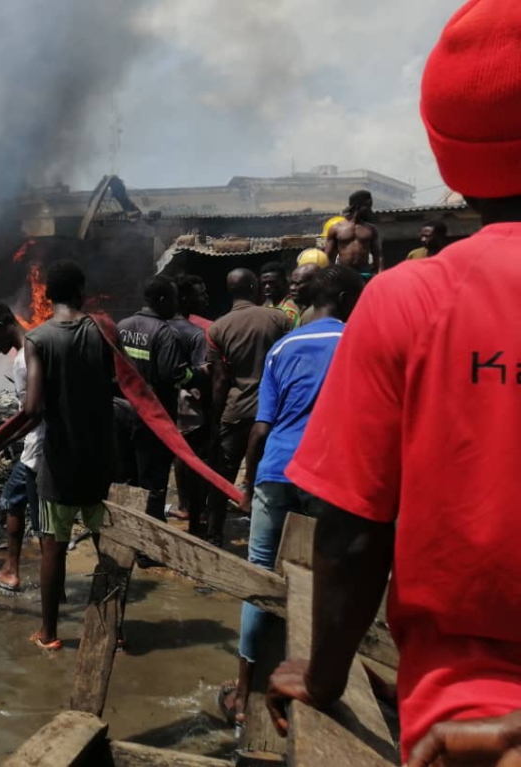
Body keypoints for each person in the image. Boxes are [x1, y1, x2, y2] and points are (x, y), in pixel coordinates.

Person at [267, 4, 521, 763]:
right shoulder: (381, 273)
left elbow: (351, 533)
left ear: (450, 154)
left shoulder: (406, 297)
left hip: (464, 718)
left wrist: (322, 675)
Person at [219, 266, 364, 725]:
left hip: (277, 470)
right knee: (325, 579)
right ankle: (315, 683)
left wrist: (247, 484)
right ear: (342, 298)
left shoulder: (285, 346)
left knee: (260, 574)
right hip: (330, 477)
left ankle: (244, 694)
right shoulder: (359, 343)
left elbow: (261, 427)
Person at [24, 260, 116, 650]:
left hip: (58, 464)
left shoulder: (37, 339)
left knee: (53, 546)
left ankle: (49, 634)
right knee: (107, 548)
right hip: (100, 461)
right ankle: (116, 633)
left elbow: (31, 408)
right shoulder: (103, 332)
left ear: (46, 297)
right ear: (81, 293)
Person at [204, 269, 291, 546]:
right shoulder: (280, 319)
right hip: (272, 413)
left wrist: (214, 420)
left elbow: (219, 381)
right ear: (253, 287)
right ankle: (268, 539)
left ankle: (214, 534)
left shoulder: (218, 328)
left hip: (236, 411)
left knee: (223, 473)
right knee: (271, 477)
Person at [0, 302, 44, 591]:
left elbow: (32, 413)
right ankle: (10, 570)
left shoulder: (22, 360)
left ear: (3, 324)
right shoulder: (38, 342)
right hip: (39, 445)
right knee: (13, 501)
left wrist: (0, 443)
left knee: (43, 524)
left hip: (39, 448)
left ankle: (49, 581)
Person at [117, 276, 195, 525]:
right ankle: (148, 544)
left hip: (122, 415)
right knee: (154, 483)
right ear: (161, 300)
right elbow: (172, 375)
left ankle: (127, 531)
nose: (177, 304)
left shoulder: (122, 326)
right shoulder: (164, 332)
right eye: (173, 298)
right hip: (153, 419)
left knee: (129, 478)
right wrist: (198, 374)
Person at [170, 275, 211, 532]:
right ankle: (198, 516)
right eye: (200, 293)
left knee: (179, 454)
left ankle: (185, 505)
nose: (205, 298)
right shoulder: (199, 331)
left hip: (166, 404)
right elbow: (201, 373)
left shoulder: (161, 326)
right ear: (185, 299)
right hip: (191, 405)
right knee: (197, 459)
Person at [324, 190, 384, 276]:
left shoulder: (371, 229)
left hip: (364, 272)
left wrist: (380, 274)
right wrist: (329, 274)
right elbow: (328, 255)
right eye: (367, 206)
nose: (370, 209)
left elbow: (378, 254)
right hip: (343, 273)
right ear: (358, 206)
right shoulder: (336, 228)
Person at [259, 262, 299, 326]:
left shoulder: (289, 310)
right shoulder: (269, 306)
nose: (267, 287)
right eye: (264, 283)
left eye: (271, 283)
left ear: (284, 282)